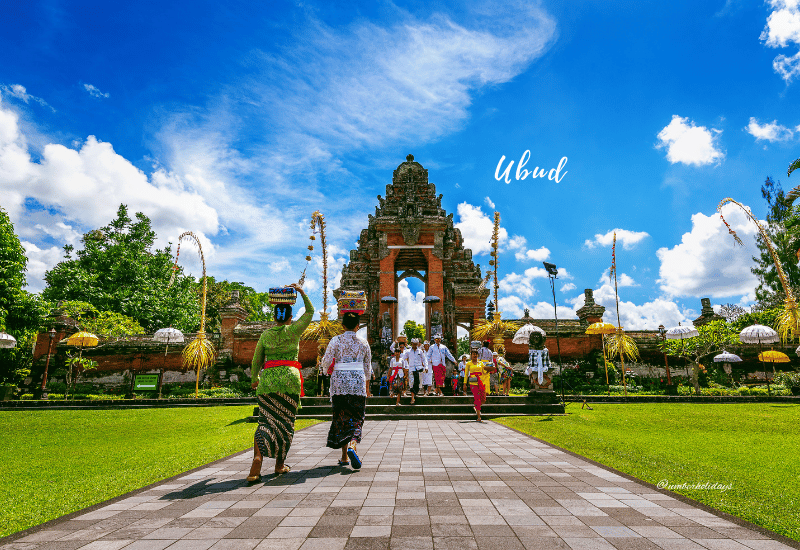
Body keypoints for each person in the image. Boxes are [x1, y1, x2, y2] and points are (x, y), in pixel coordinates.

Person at [247, 283, 313, 482]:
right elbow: (310, 311)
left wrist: (254, 379)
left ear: (275, 317)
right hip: (290, 381)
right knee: (285, 424)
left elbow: (257, 359)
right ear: (290, 317)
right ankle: (279, 465)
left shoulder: (266, 334)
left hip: (267, 381)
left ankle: (257, 460)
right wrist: (301, 292)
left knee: (265, 421)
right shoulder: (294, 331)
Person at [321, 310, 371, 469]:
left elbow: (326, 361)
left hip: (339, 383)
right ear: (358, 326)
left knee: (342, 416)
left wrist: (324, 372)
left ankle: (344, 457)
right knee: (357, 417)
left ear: (342, 326)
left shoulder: (335, 341)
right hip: (357, 382)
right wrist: (367, 388)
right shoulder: (363, 342)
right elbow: (367, 368)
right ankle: (352, 446)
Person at [464, 341, 494, 422]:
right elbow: (466, 374)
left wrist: (489, 370)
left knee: (483, 399)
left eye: (476, 354)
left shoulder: (481, 363)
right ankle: (478, 416)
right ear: (471, 355)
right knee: (477, 398)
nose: (475, 355)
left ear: (478, 355)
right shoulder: (468, 364)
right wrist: (464, 384)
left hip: (481, 381)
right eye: (473, 354)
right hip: (473, 382)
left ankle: (476, 407)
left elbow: (484, 371)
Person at [402, 338, 429, 404]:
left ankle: (414, 394)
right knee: (411, 383)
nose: (415, 345)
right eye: (414, 344)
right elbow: (403, 359)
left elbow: (424, 359)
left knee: (418, 383)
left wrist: (426, 367)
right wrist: (404, 367)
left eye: (416, 344)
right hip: (411, 369)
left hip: (419, 369)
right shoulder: (408, 351)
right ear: (411, 344)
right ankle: (412, 398)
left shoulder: (420, 351)